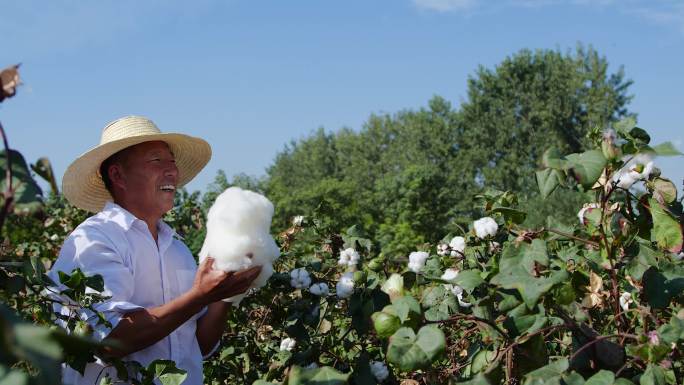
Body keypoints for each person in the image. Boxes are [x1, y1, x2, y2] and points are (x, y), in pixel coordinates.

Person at [47, 116, 261, 385]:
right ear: (117, 175)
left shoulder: (178, 249)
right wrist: (199, 296)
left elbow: (199, 346)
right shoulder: (93, 240)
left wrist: (224, 295)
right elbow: (111, 340)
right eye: (157, 160)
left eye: (172, 162)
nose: (172, 171)